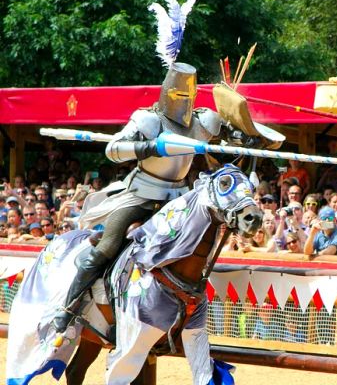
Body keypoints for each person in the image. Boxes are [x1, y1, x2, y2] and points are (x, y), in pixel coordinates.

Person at [53, 61, 271, 334]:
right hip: (141, 194)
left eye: (188, 97)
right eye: (179, 96)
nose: (184, 102)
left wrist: (248, 139)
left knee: (199, 246)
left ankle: (181, 312)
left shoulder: (204, 121)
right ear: (167, 93)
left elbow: (231, 140)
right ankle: (68, 308)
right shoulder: (148, 120)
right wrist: (149, 147)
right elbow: (113, 149)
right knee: (107, 247)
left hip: (180, 200)